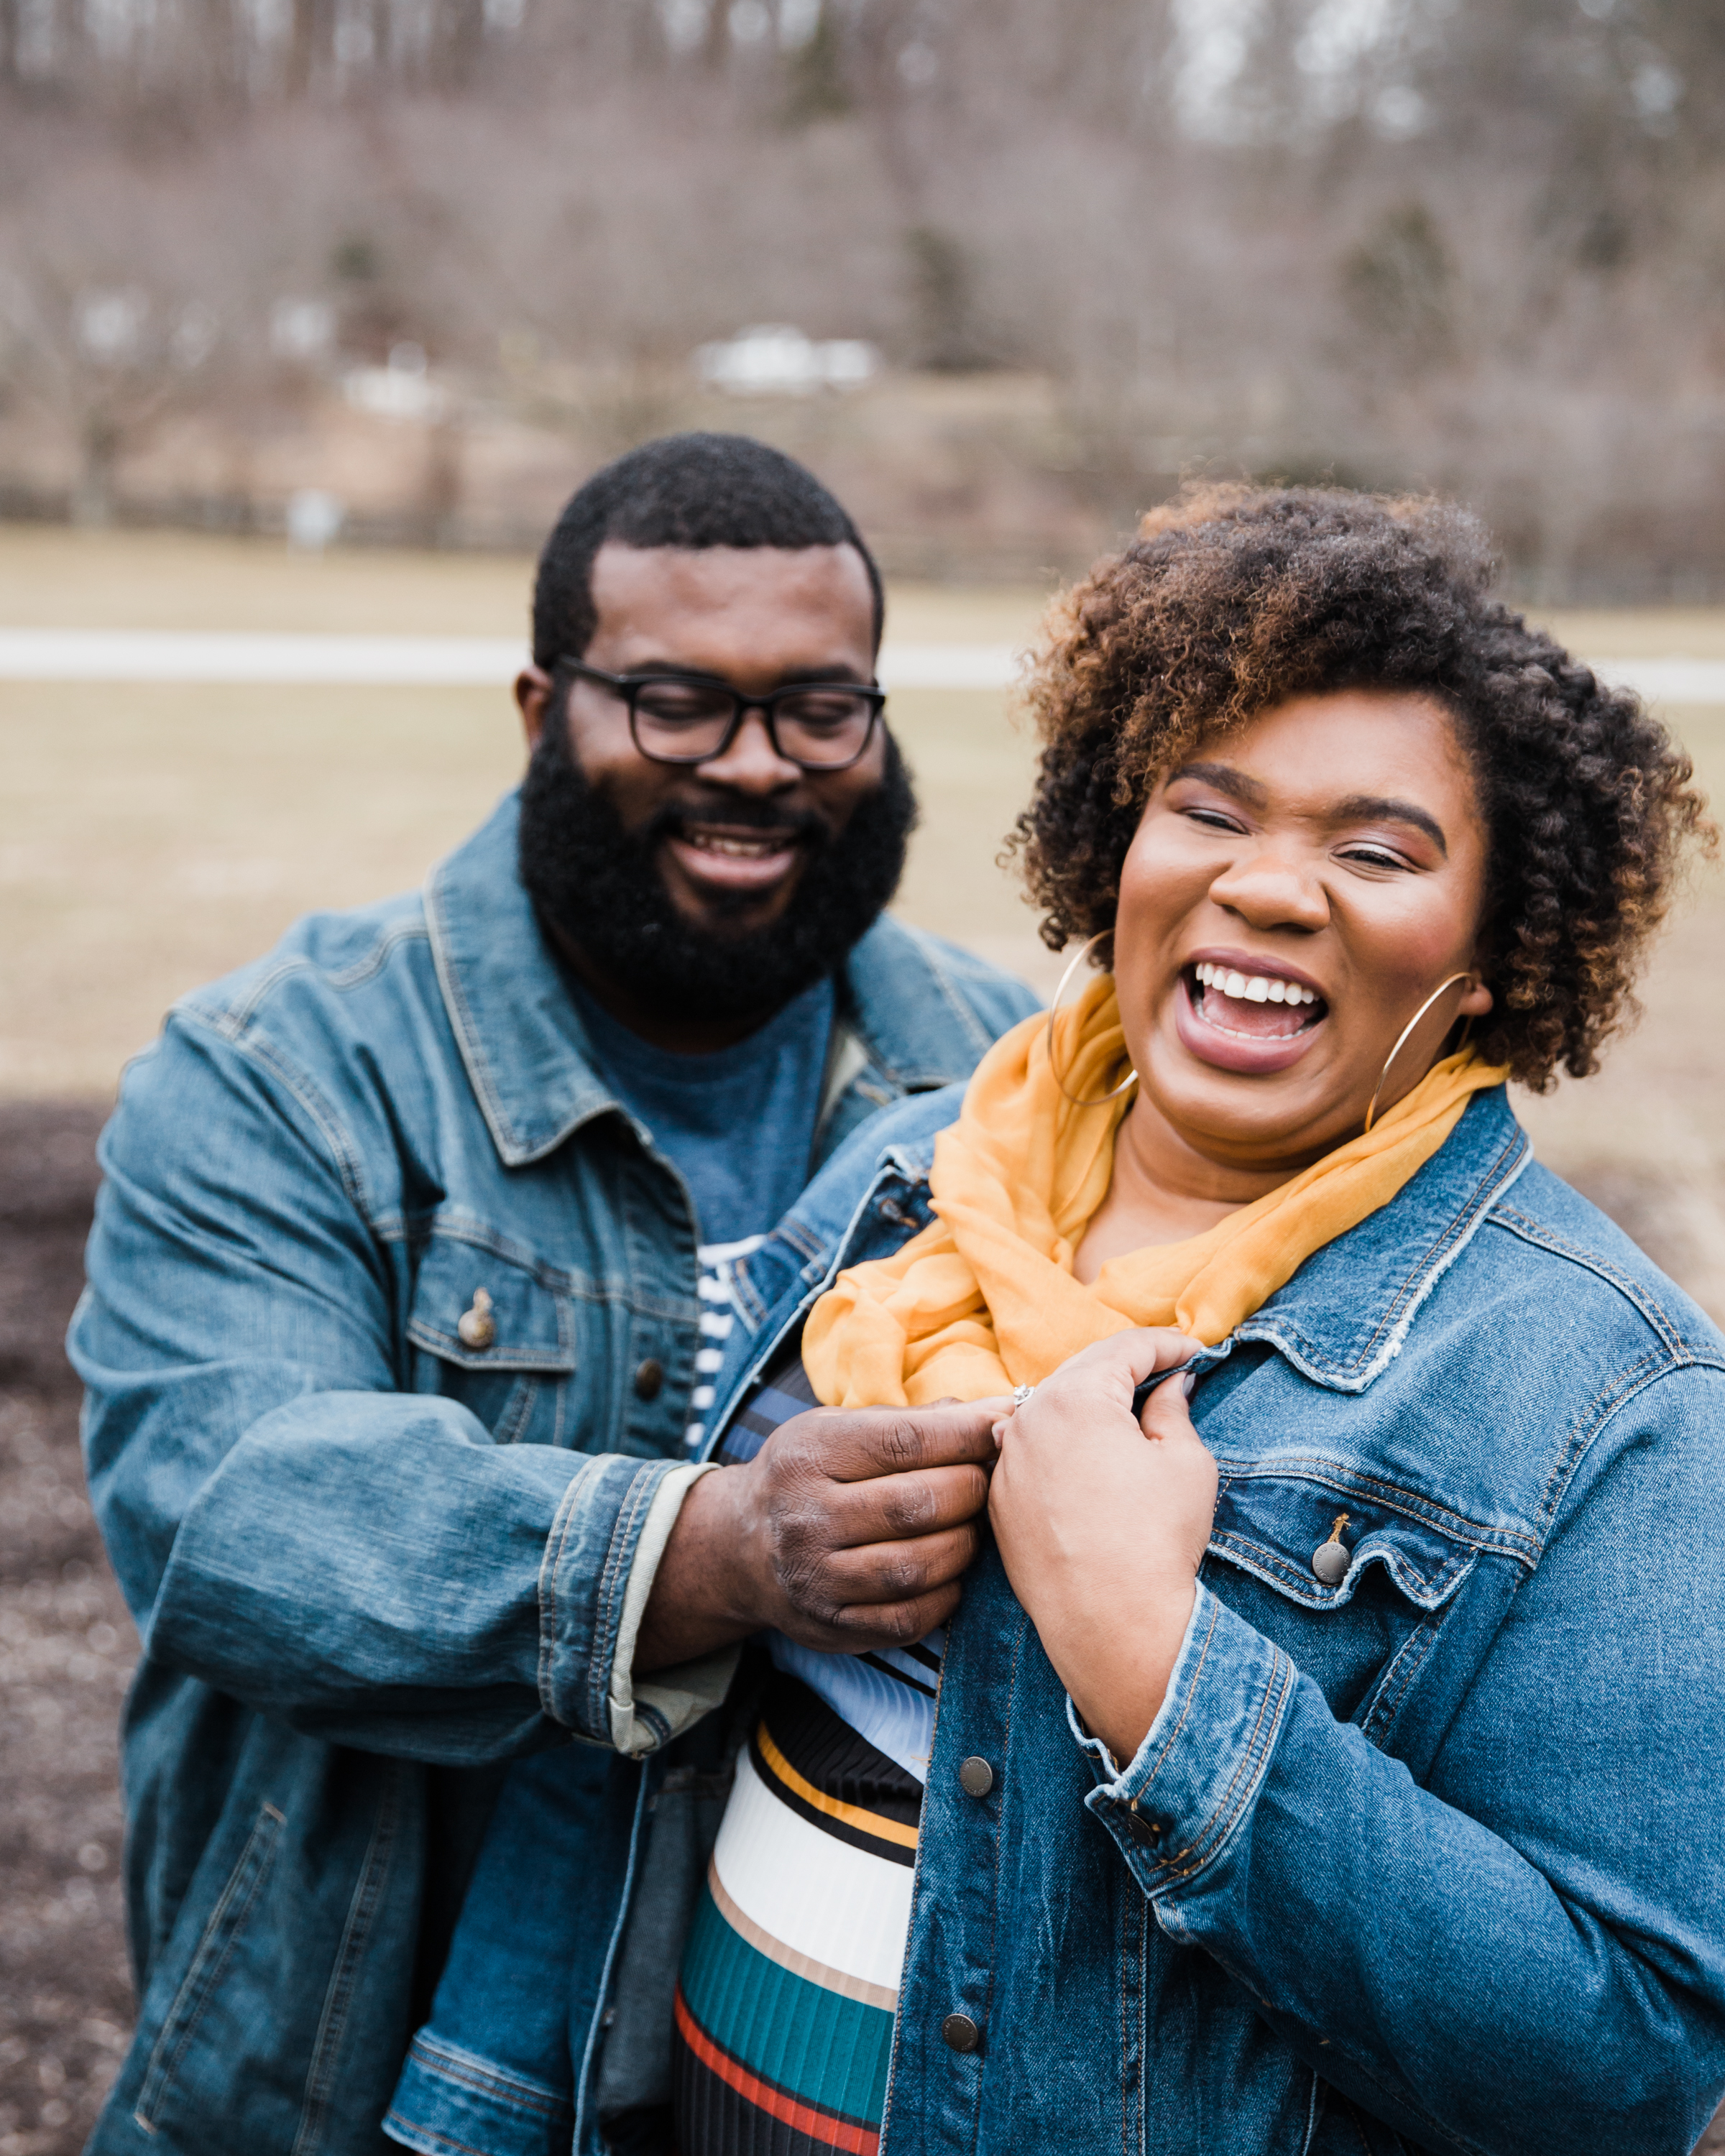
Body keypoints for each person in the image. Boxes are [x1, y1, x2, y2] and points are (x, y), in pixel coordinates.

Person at [414, 482, 1725, 2156]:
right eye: (1211, 811)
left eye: (1377, 849)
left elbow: (1616, 2072)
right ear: (1118, 847)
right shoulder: (910, 1176)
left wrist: (1152, 1662)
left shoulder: (1611, 1401)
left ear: (1488, 957)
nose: (1268, 888)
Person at [68, 432, 1039, 2154]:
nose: (757, 767)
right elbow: (233, 1515)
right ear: (543, 711)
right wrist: (717, 1551)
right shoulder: (288, 1070)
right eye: (676, 703)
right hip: (355, 2062)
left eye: (822, 710)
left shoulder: (1001, 1081)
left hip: (815, 2066)